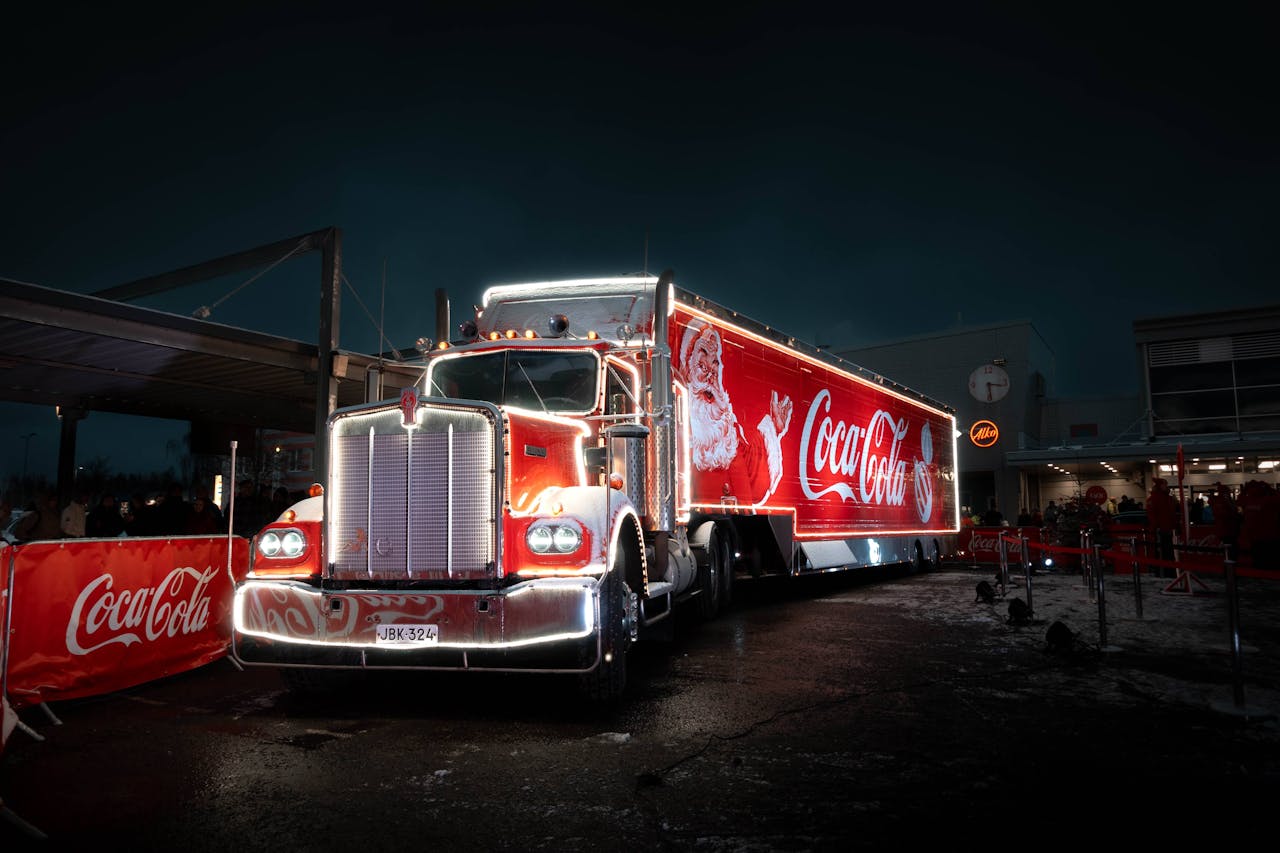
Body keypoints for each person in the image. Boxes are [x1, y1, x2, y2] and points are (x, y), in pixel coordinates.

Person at [677, 318, 792, 507]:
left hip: (738, 519)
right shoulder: (679, 427)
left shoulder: (727, 426)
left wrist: (774, 427)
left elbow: (753, 469)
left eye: (715, 362)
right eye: (702, 357)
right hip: (709, 515)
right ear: (687, 365)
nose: (710, 371)